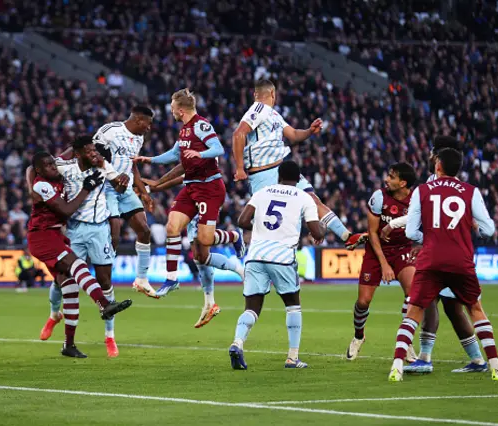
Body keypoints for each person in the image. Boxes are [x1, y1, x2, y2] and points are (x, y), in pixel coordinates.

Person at [388, 148, 498, 382]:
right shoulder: (471, 191)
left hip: (430, 259)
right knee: (475, 309)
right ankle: (496, 369)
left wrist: (428, 236)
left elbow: (410, 231)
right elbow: (489, 229)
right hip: (460, 260)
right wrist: (470, 226)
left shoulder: (422, 190)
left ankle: (396, 366)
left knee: (413, 311)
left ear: (438, 166)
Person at [381, 136, 486, 374]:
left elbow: (421, 216)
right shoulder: (447, 183)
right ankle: (474, 359)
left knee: (435, 303)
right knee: (448, 306)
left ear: (439, 157)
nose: (429, 156)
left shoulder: (441, 184)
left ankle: (427, 358)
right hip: (449, 252)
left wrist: (394, 224)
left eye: (433, 152)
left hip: (446, 254)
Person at [133, 88, 245, 297]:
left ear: (181, 110)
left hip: (209, 188)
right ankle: (172, 279)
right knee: (172, 227)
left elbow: (218, 148)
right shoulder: (184, 130)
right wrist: (150, 159)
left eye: (173, 108)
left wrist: (200, 153)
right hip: (191, 187)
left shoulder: (201, 125)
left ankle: (233, 236)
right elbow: (175, 154)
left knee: (205, 240)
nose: (171, 111)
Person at [231, 79, 365, 249]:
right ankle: (240, 238)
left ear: (255, 94)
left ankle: (347, 236)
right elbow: (238, 134)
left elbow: (293, 134)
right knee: (270, 222)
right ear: (273, 94)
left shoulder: (274, 114)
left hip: (282, 169)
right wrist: (239, 168)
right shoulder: (259, 109)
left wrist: (309, 131)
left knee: (313, 200)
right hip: (263, 174)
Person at [27, 149, 132, 359]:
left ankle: (69, 345)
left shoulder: (58, 174)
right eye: (48, 166)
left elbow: (64, 156)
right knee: (79, 267)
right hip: (43, 237)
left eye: (53, 164)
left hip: (57, 236)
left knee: (70, 287)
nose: (53, 167)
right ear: (40, 170)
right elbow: (65, 210)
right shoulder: (42, 185)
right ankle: (103, 304)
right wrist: (85, 189)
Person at [228, 161, 325, 370]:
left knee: (252, 308)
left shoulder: (262, 192)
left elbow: (242, 221)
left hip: (256, 255)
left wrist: (261, 229)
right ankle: (292, 357)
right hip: (282, 256)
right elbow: (317, 232)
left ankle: (237, 342)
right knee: (293, 305)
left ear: (278, 176)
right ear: (299, 179)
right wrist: (321, 230)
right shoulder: (303, 197)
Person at [140, 165, 244, 328]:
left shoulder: (202, 145)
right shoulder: (188, 144)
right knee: (200, 256)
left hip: (206, 195)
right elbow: (183, 172)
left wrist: (155, 185)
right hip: (193, 194)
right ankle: (210, 303)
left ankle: (234, 239)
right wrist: (152, 185)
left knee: (203, 242)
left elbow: (182, 173)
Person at [346, 163, 419, 362]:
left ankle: (407, 341)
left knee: (412, 295)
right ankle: (359, 336)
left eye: (391, 177)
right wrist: (384, 264)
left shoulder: (416, 201)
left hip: (403, 249)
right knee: (363, 301)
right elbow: (373, 233)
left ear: (403, 183)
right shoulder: (379, 197)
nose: (387, 179)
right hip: (376, 250)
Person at [93, 106, 158, 299]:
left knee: (145, 231)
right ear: (138, 120)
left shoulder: (139, 138)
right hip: (106, 188)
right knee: (114, 236)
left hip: (126, 189)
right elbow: (95, 159)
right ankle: (105, 284)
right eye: (148, 123)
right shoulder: (109, 131)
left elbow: (133, 166)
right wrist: (113, 177)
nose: (149, 128)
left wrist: (144, 192)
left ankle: (142, 279)